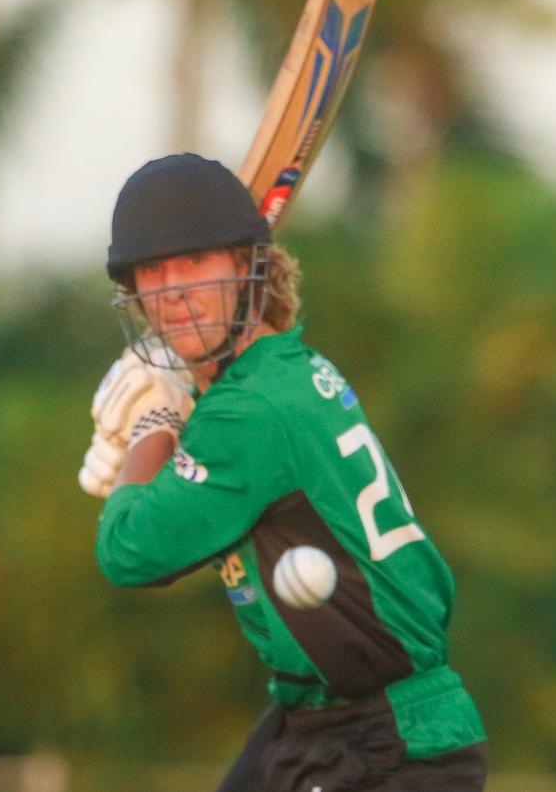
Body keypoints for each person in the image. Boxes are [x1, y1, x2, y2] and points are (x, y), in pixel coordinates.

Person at [79, 152, 488, 791]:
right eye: (153, 271)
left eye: (196, 261)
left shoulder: (249, 412)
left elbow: (128, 551)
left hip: (390, 747)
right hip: (313, 723)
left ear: (247, 269)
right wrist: (176, 415)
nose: (175, 290)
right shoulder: (279, 373)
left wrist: (151, 427)